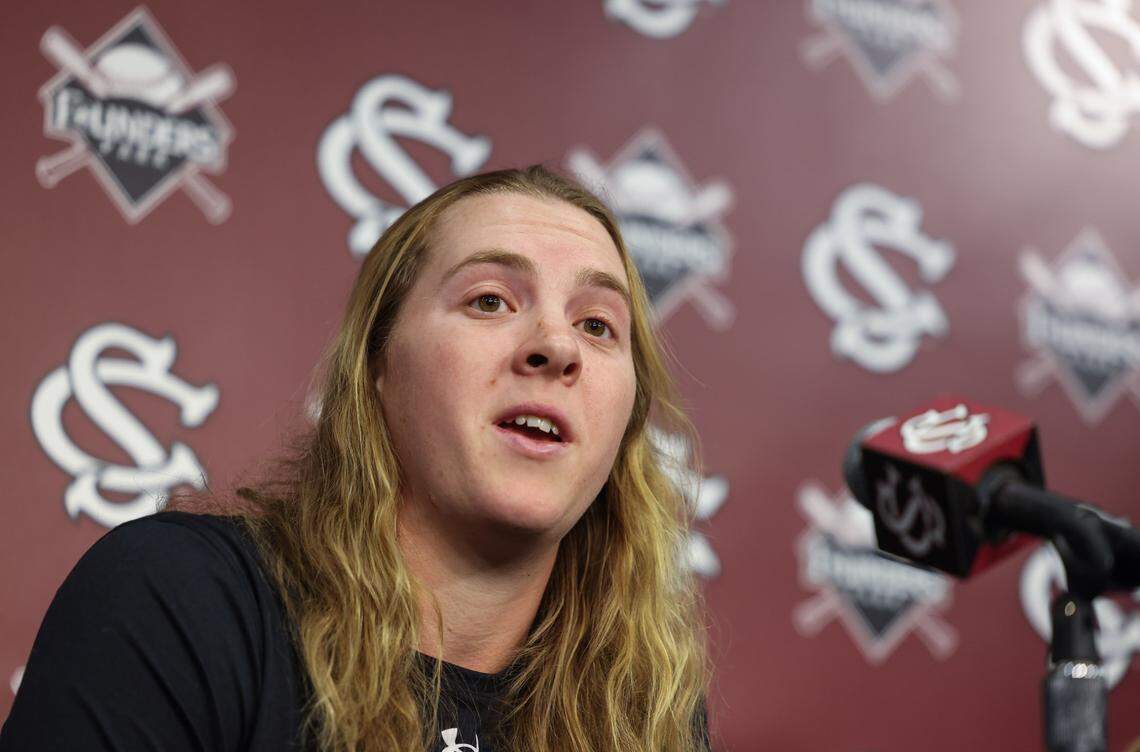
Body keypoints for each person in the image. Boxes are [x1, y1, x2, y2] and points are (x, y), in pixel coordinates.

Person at [0, 166, 713, 751]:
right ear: (379, 370)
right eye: (490, 300)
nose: (556, 346)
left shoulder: (646, 711)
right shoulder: (183, 601)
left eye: (597, 325)